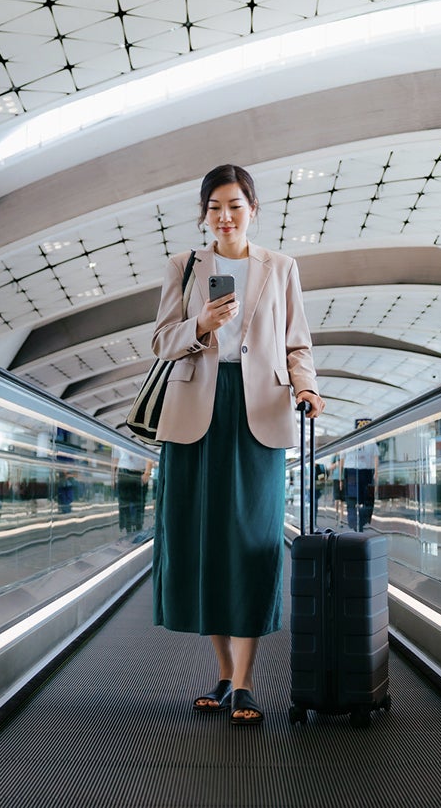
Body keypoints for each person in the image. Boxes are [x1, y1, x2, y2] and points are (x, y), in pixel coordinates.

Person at [150, 164, 324, 727]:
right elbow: (159, 341)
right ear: (204, 213)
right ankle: (224, 675)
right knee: (203, 543)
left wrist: (308, 388)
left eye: (235, 206)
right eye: (215, 207)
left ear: (253, 209)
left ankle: (247, 682)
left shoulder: (280, 268)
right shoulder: (184, 267)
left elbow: (296, 342)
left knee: (253, 540)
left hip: (261, 412)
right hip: (195, 409)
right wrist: (200, 322)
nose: (224, 217)